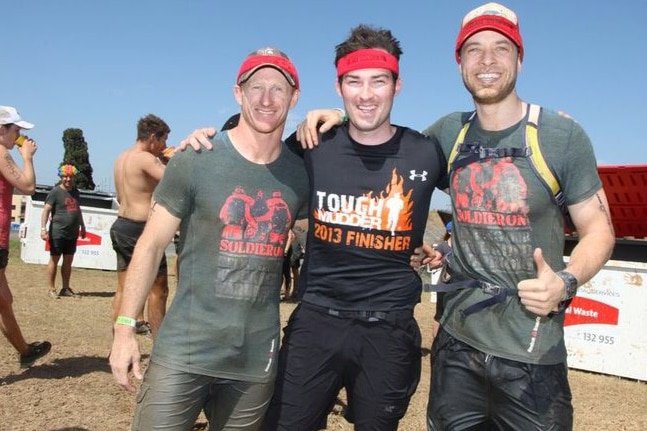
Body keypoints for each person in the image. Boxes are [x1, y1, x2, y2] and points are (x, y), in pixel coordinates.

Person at [297, 4, 616, 429]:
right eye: (474, 50)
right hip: (457, 346)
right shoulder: (447, 134)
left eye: (501, 48)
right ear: (459, 62)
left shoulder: (560, 135)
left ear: (520, 57)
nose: (487, 61)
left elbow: (599, 229)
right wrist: (340, 115)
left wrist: (566, 280)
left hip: (532, 352)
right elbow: (381, 141)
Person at [109, 47, 308, 430]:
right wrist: (124, 328)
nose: (266, 99)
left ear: (294, 97)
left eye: (278, 89)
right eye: (256, 87)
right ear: (238, 93)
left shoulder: (300, 173)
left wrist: (338, 115)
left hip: (254, 361)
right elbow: (149, 247)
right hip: (184, 350)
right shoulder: (197, 158)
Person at [110, 114, 171, 337]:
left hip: (121, 225)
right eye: (163, 140)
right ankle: (159, 345)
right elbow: (172, 181)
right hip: (140, 229)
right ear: (153, 137)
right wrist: (170, 160)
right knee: (159, 289)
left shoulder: (122, 157)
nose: (163, 147)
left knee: (124, 289)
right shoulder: (145, 158)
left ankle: (117, 341)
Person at [0, 105, 51, 368]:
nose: (19, 135)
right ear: (2, 130)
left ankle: (25, 350)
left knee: (4, 300)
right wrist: (27, 157)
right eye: (16, 130)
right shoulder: (1, 153)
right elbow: (28, 187)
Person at [40, 163, 86, 298]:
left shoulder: (76, 192)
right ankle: (51, 289)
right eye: (65, 176)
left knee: (68, 261)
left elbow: (78, 210)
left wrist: (82, 226)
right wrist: (43, 229)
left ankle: (65, 288)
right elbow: (46, 210)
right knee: (54, 260)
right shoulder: (55, 192)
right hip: (57, 232)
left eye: (70, 176)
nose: (68, 179)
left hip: (72, 233)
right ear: (60, 177)